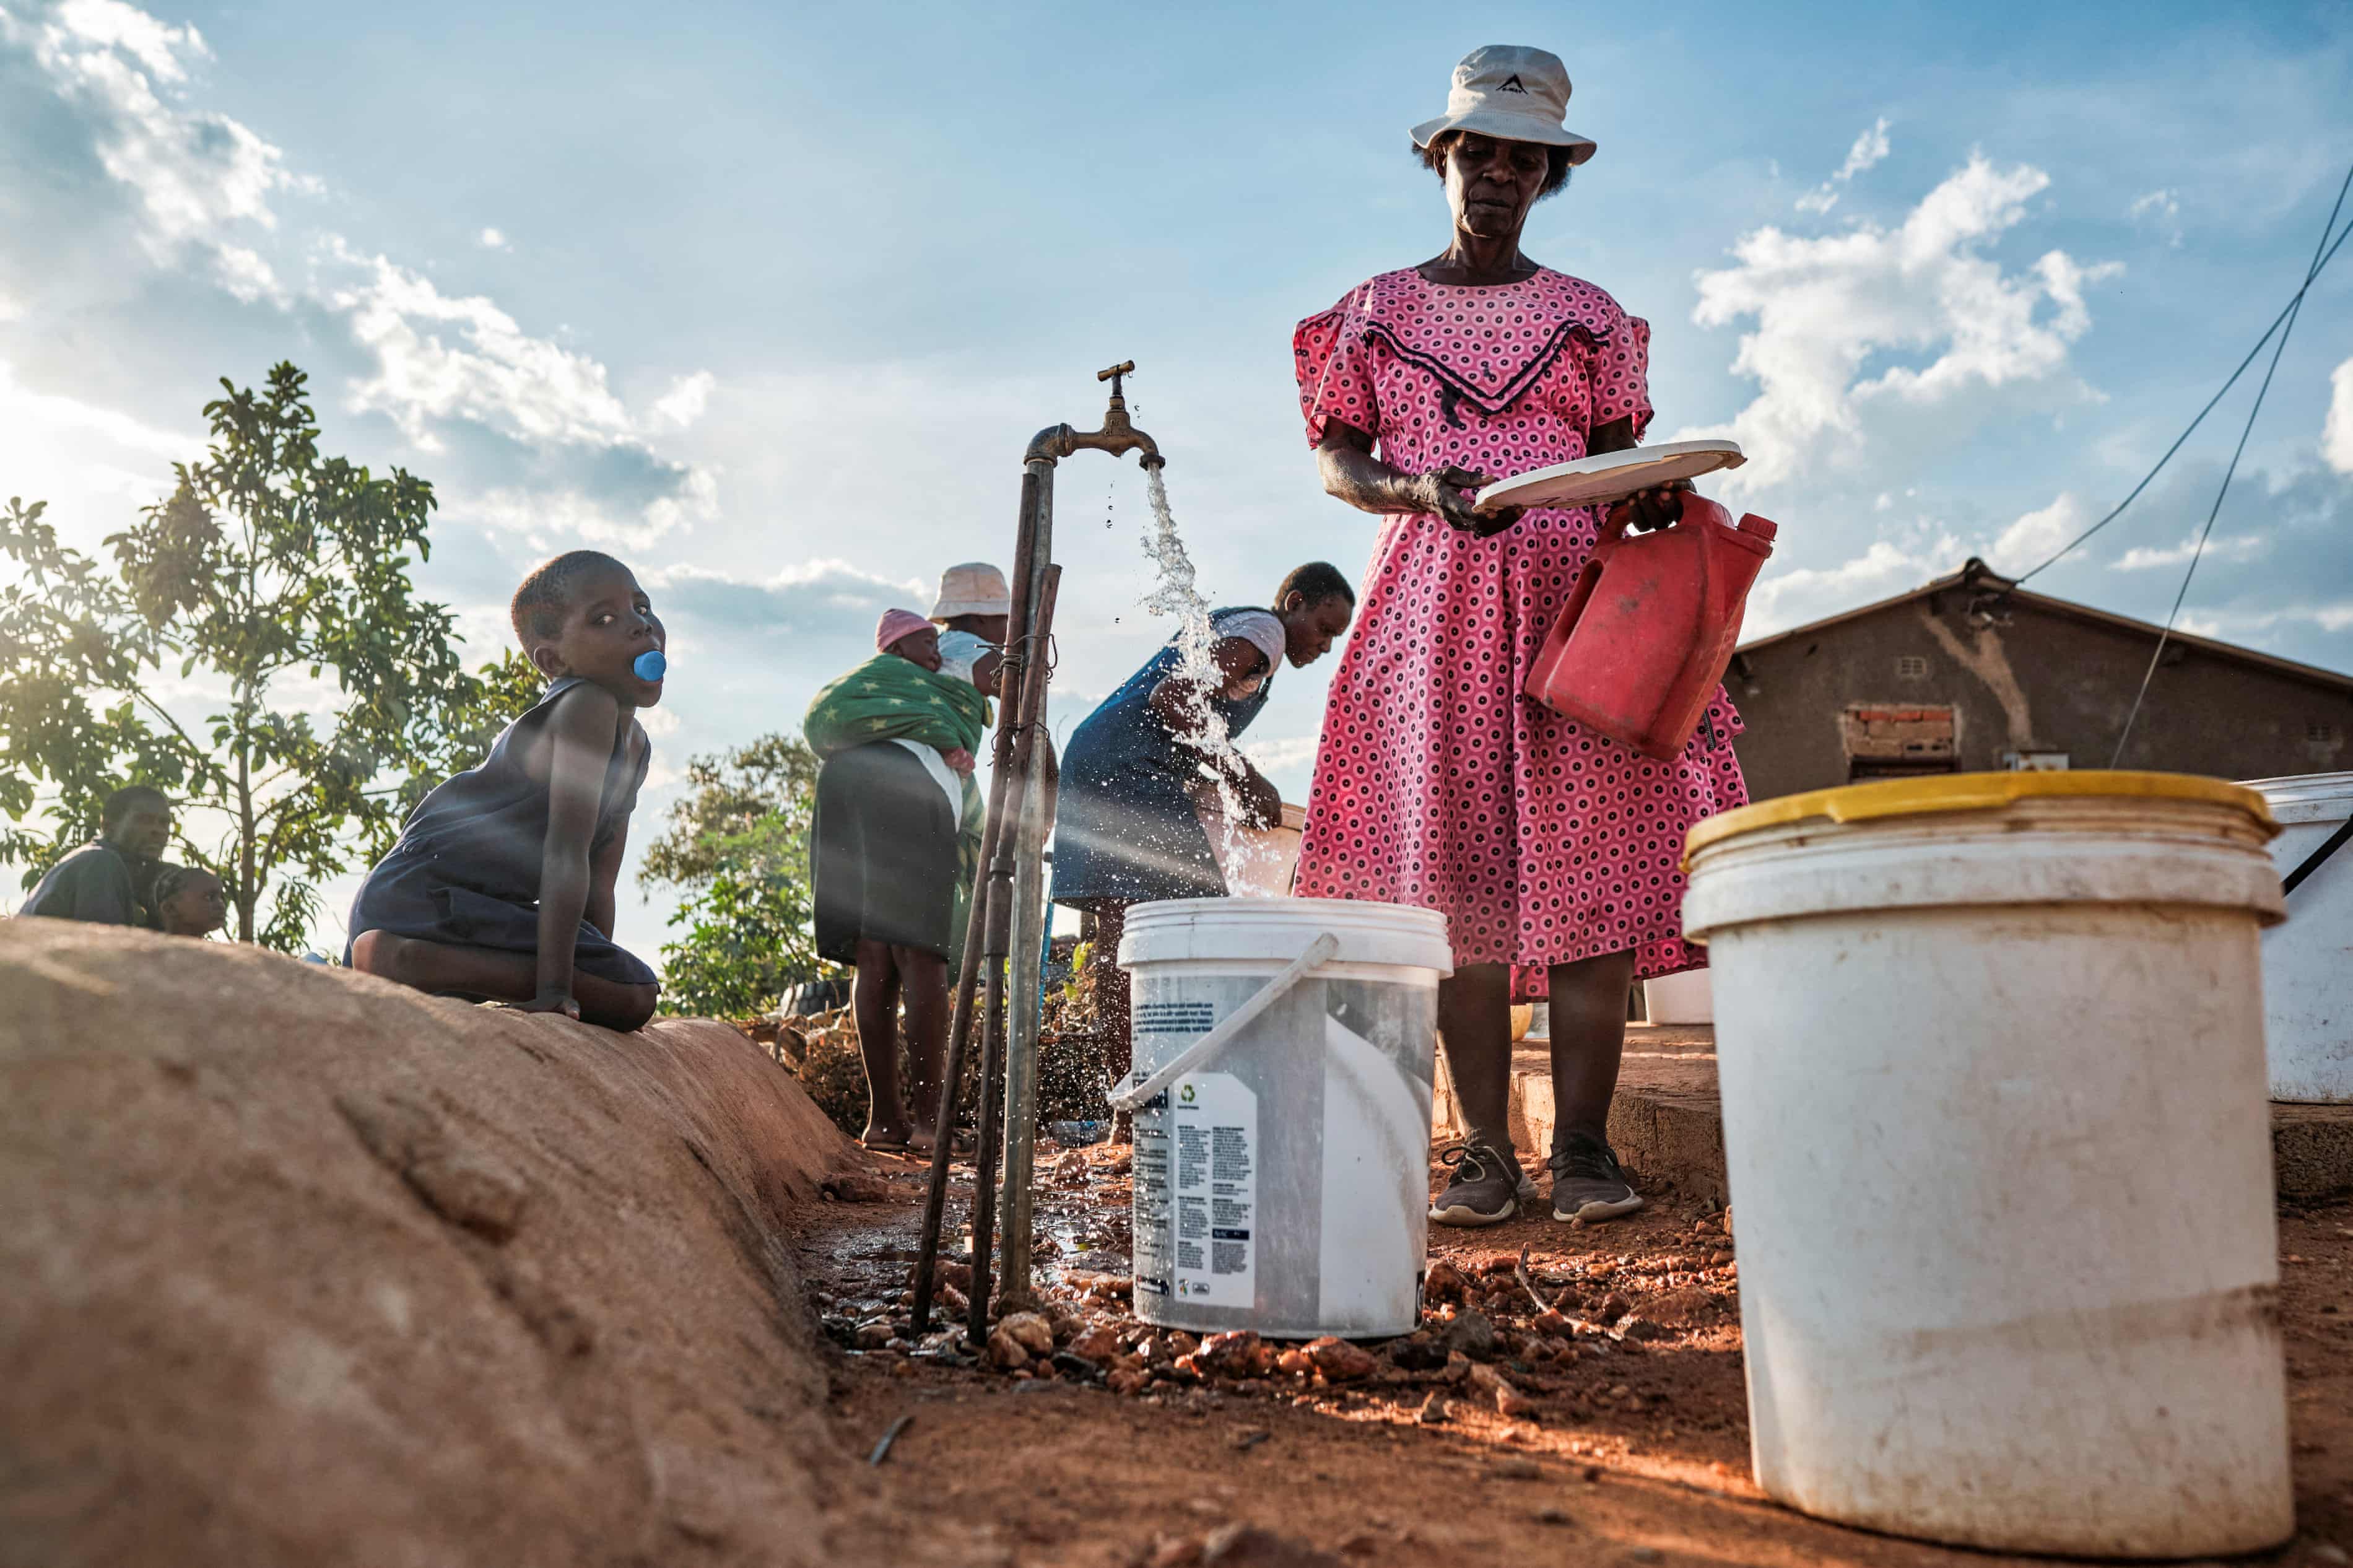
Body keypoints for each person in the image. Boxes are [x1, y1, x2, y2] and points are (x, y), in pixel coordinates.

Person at [1292, 45, 1750, 1227]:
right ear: (1439, 159)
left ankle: (1587, 1151)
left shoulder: (1591, 316)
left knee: (1591, 874)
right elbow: (1340, 460)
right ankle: (1488, 1152)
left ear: (1549, 175)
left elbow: (1619, 464)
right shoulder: (1376, 312)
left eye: (1522, 158)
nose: (1497, 173)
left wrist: (1646, 498)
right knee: (1461, 889)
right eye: (1476, 151)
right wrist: (1414, 490)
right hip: (1433, 609)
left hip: (1576, 617)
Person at [1051, 563, 1356, 1088]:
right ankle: (1158, 1093)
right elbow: (1172, 699)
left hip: (1103, 760)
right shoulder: (1264, 633)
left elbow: (1184, 718)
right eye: (1325, 628)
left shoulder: (1249, 640)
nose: (1327, 646)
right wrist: (1242, 776)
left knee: (1130, 936)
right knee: (1184, 927)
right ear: (1295, 603)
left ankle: (1133, 1096)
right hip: (1126, 768)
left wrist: (1219, 784)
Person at [346, 551, 664, 1032]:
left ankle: (426, 964)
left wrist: (593, 971)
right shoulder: (585, 706)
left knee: (626, 992)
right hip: (421, 898)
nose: (641, 626)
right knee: (634, 996)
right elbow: (564, 855)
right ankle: (401, 959)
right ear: (554, 660)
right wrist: (558, 991)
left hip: (468, 911)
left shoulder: (636, 748)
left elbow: (600, 882)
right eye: (605, 618)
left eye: (642, 606)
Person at [805, 608, 989, 1152]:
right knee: (921, 954)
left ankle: (884, 1122)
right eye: (926, 645)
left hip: (840, 785)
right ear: (897, 650)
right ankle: (931, 1124)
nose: (937, 653)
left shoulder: (863, 695)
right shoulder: (960, 656)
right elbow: (1007, 683)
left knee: (875, 953)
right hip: (906, 786)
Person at [18, 785, 172, 925]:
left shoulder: (119, 868)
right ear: (108, 826)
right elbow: (105, 947)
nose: (157, 830)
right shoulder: (101, 862)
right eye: (144, 820)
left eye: (164, 823)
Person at [929, 561, 1012, 700]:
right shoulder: (984, 654)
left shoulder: (931, 649)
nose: (1008, 628)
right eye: (1005, 619)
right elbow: (1026, 696)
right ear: (983, 617)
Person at [150, 865, 228, 939]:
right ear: (170, 908)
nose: (221, 905)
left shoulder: (212, 952)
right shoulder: (148, 951)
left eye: (222, 898)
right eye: (209, 897)